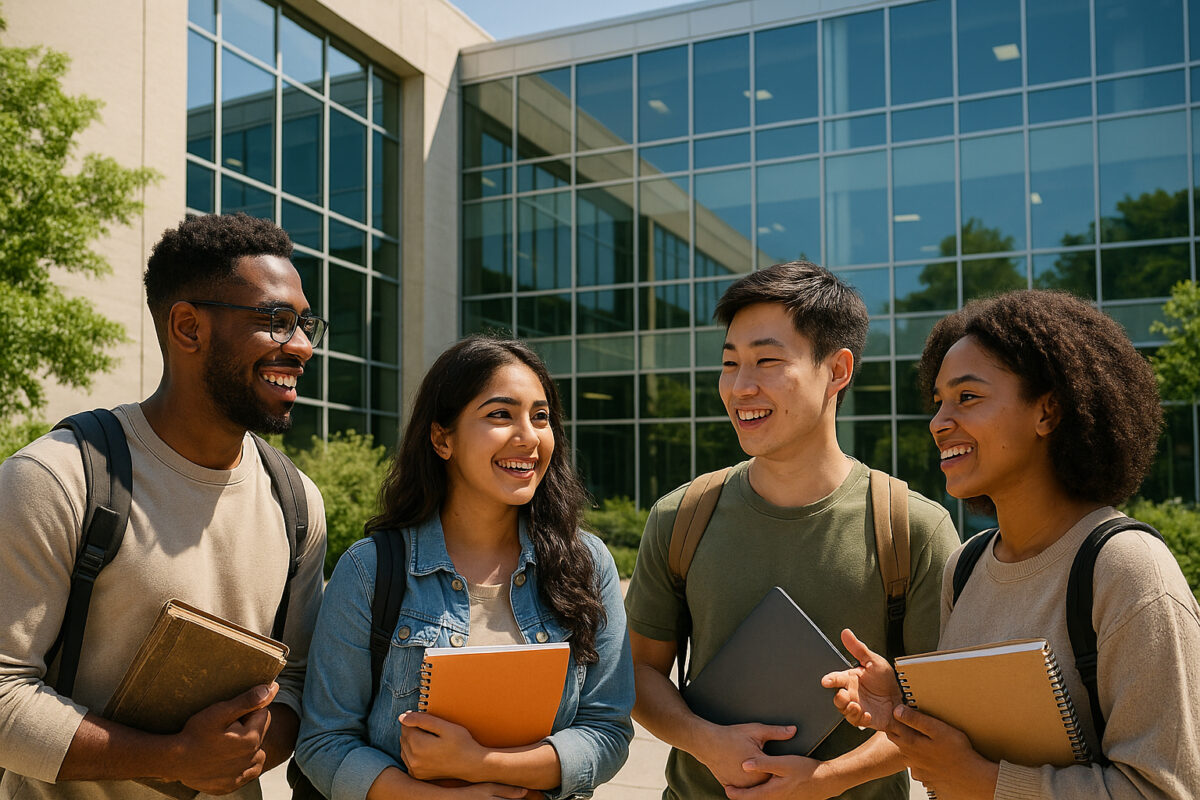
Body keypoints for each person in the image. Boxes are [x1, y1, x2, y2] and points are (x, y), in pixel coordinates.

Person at [0, 213, 328, 799]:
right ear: (187, 327)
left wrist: (238, 753)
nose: (301, 347)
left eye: (304, 324)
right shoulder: (56, 477)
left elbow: (303, 686)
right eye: (276, 322)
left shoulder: (296, 500)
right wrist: (174, 757)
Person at [823, 289, 1200, 799]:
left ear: (1047, 411)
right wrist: (902, 710)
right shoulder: (967, 565)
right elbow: (980, 741)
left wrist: (987, 783)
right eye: (938, 403)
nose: (939, 423)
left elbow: (1165, 789)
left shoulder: (1128, 570)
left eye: (968, 397)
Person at [624, 261, 961, 800]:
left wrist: (826, 781)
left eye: (767, 361)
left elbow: (946, 711)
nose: (740, 387)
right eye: (730, 363)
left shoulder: (912, 527)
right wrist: (707, 742)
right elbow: (640, 673)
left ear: (838, 369)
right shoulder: (680, 516)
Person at [295, 335, 634, 800]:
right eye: (500, 414)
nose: (529, 436)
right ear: (442, 438)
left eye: (541, 417)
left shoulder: (586, 564)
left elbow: (606, 730)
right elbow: (324, 742)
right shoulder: (370, 570)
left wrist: (481, 765)